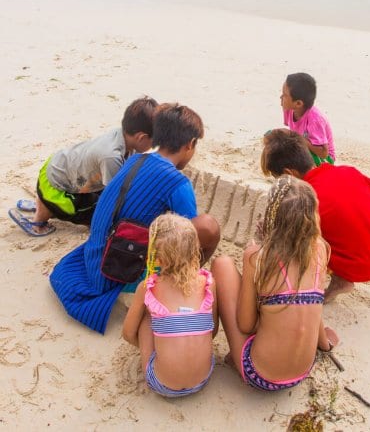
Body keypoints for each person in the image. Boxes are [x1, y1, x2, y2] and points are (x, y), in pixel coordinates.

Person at [50, 103, 220, 334]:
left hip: (97, 255)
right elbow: (187, 237)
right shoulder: (177, 182)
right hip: (119, 269)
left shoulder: (134, 160)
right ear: (190, 145)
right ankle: (180, 284)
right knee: (208, 227)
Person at [212, 175, 338, 392]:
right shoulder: (320, 248)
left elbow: (245, 324)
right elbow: (313, 303)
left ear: (272, 214)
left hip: (259, 375)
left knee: (222, 264)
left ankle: (234, 358)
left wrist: (258, 247)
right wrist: (324, 343)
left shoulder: (258, 256)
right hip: (302, 372)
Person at [261, 129, 370, 302]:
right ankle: (342, 275)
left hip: (363, 266)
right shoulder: (348, 171)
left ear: (290, 174)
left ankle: (339, 278)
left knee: (298, 241)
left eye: (277, 178)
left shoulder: (303, 200)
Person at [8, 96, 159, 237]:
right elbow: (113, 197)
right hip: (55, 190)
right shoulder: (111, 157)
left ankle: (44, 205)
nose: (153, 146)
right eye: (154, 142)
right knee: (96, 215)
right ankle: (40, 219)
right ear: (141, 137)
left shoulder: (121, 135)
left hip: (55, 166)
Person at [123, 213, 218, 397]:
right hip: (202, 379)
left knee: (147, 315)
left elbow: (128, 334)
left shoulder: (148, 287)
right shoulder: (207, 283)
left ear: (157, 258)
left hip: (163, 385)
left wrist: (155, 347)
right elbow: (212, 331)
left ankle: (158, 361)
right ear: (194, 250)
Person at [280, 73, 335, 166]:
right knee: (271, 137)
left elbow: (324, 153)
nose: (281, 97)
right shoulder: (289, 109)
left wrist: (299, 139)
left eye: (284, 95)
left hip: (323, 159)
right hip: (303, 146)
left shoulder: (315, 119)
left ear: (298, 103)